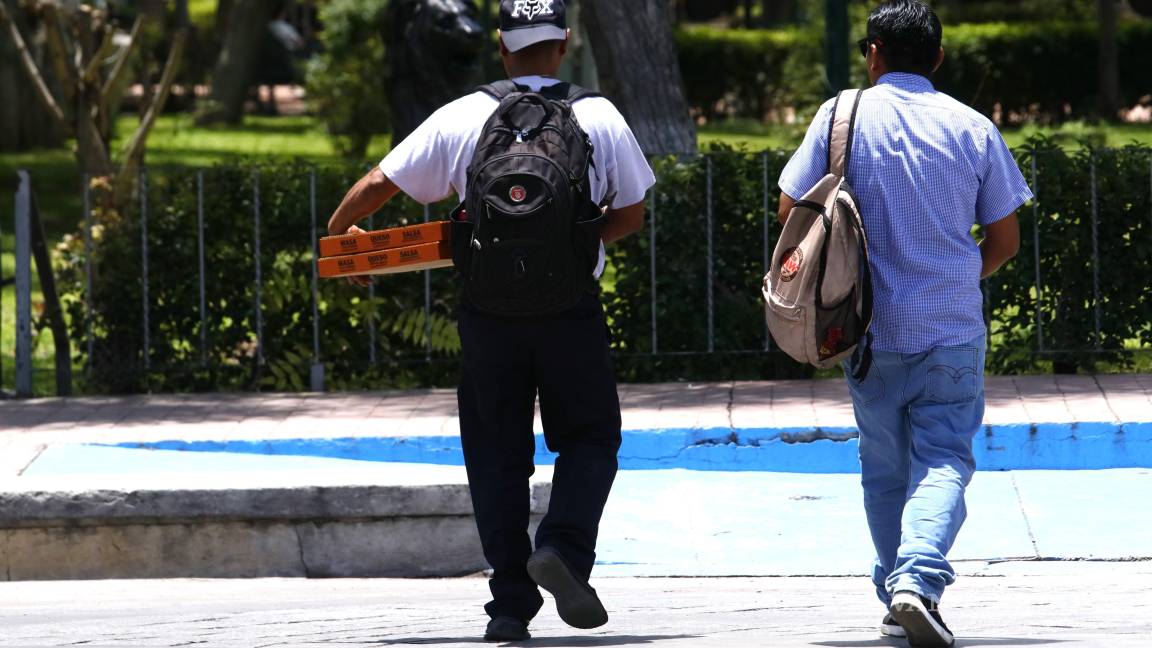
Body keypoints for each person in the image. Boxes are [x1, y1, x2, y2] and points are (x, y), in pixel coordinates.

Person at [326, 0, 655, 642]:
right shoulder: (597, 114)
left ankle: (509, 607)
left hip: (487, 316)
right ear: (564, 46)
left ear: (501, 48)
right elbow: (633, 214)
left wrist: (342, 237)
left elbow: (378, 181)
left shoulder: (465, 115)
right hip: (570, 313)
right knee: (590, 439)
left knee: (495, 455)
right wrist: (576, 242)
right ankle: (561, 546)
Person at [776, 1, 1031, 646]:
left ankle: (898, 590)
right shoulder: (973, 127)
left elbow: (791, 207)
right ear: (938, 58)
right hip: (950, 328)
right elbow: (1004, 238)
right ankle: (917, 582)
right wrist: (958, 277)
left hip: (865, 329)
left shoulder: (840, 116)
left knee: (884, 467)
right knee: (944, 459)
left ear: (873, 52)